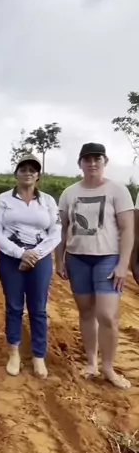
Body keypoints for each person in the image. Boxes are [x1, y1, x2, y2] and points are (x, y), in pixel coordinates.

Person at [56, 142, 134, 389]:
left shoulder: (117, 190)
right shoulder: (69, 193)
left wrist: (123, 264)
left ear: (104, 162)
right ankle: (91, 362)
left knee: (107, 315)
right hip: (77, 258)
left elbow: (128, 229)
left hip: (107, 258)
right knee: (86, 312)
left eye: (97, 159)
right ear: (80, 163)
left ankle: (108, 368)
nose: (92, 163)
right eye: (87, 159)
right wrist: (59, 259)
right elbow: (62, 229)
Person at [0, 153, 61, 378]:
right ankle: (14, 353)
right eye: (23, 169)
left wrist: (35, 254)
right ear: (16, 173)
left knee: (38, 309)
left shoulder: (48, 201)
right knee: (13, 306)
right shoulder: (4, 200)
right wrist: (21, 253)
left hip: (39, 258)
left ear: (38, 175)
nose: (28, 173)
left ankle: (39, 356)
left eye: (32, 170)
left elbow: (56, 232)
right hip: (10, 258)